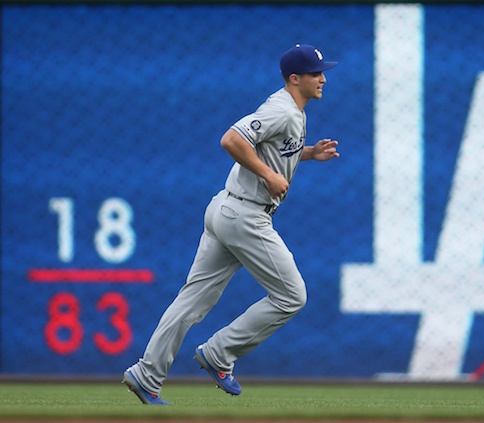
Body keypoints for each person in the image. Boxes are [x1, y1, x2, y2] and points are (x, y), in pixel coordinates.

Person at [122, 44, 339, 405]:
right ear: (295, 78)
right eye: (316, 73)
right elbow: (232, 139)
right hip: (246, 215)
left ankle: (146, 375)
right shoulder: (281, 109)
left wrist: (309, 153)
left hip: (226, 208)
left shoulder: (292, 113)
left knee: (190, 302)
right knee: (291, 296)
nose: (323, 78)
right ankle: (220, 353)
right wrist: (269, 174)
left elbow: (274, 147)